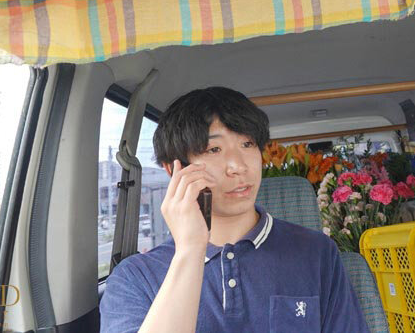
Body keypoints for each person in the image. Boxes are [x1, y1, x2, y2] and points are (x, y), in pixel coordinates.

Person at [100, 86, 369, 332]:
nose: (238, 166)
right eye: (213, 149)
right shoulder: (135, 277)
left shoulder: (317, 251)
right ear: (174, 169)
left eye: (247, 144)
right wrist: (190, 250)